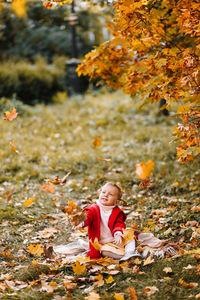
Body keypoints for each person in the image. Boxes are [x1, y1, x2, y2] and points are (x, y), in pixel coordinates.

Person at [76, 182, 141, 261]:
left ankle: (130, 253)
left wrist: (118, 234)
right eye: (103, 192)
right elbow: (87, 217)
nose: (105, 195)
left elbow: (119, 224)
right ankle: (124, 257)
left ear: (116, 202)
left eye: (110, 194)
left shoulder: (117, 212)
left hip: (116, 239)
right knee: (105, 252)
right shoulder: (93, 209)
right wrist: (81, 223)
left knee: (130, 238)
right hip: (103, 243)